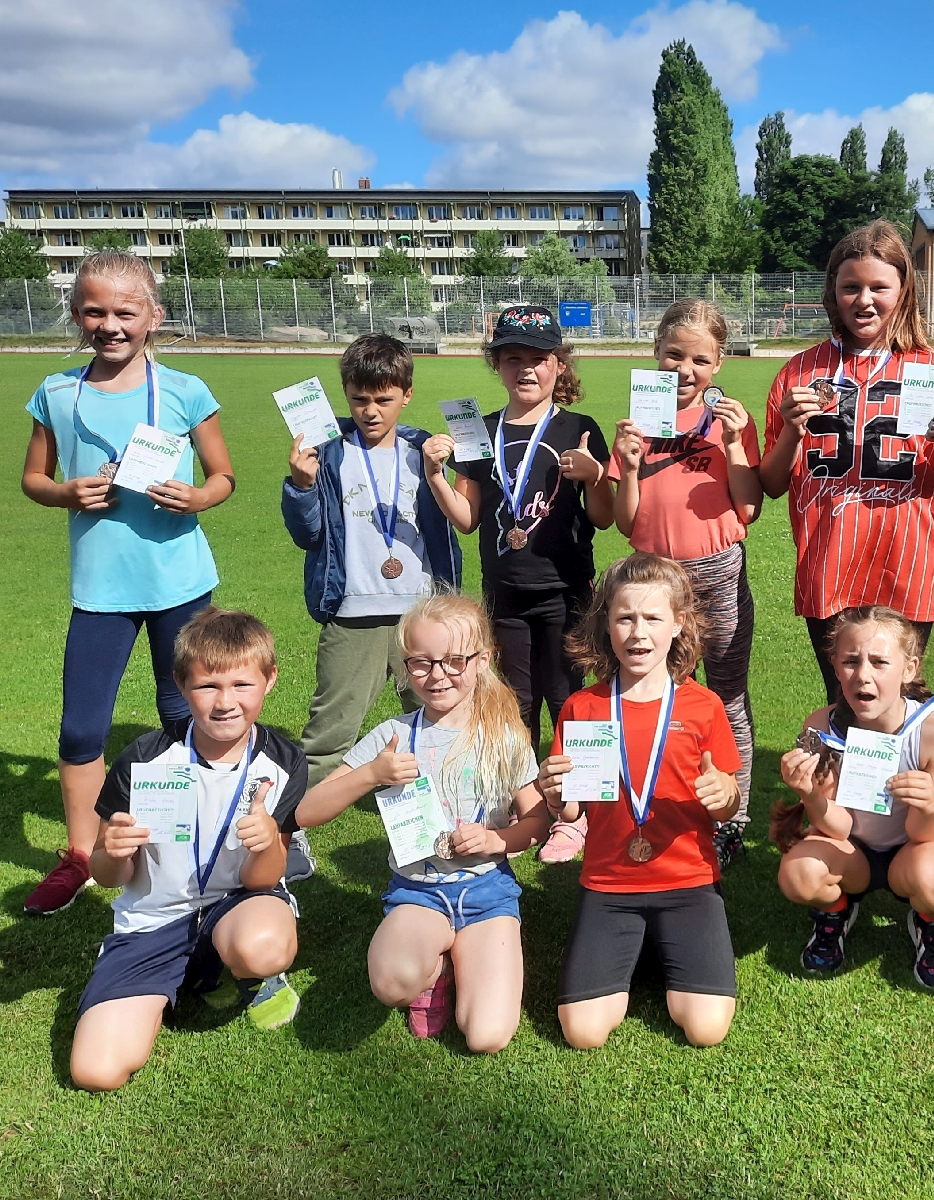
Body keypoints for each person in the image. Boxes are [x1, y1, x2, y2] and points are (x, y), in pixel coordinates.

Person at [21, 251, 237, 917]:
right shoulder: (57, 392)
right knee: (81, 729)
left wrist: (197, 498)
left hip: (179, 583)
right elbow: (33, 479)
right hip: (101, 591)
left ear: (153, 316)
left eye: (125, 311)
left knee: (185, 716)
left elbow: (223, 476)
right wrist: (66, 492)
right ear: (76, 314)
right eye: (94, 311)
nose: (110, 324)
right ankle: (80, 855)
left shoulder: (185, 390)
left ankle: (197, 837)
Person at [298, 593, 548, 1049]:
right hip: (418, 893)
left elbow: (536, 822)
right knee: (392, 982)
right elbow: (307, 811)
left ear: (482, 660)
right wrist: (371, 774)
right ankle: (433, 970)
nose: (437, 675)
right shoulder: (392, 736)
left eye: (454, 661)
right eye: (421, 662)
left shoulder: (505, 734)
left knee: (487, 1035)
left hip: (487, 893)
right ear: (405, 664)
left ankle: (462, 955)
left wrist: (496, 840)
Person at [70, 608, 304, 1091]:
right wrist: (112, 852)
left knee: (263, 947)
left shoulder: (284, 761)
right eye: (207, 686)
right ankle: (185, 976)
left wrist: (266, 843)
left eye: (242, 685)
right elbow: (108, 874)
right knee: (97, 1071)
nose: (226, 702)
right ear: (180, 684)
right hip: (153, 920)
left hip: (237, 904)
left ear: (270, 680)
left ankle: (243, 971)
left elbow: (263, 876)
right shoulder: (144, 758)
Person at [424, 304, 613, 865]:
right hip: (504, 591)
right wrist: (435, 474)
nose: (526, 369)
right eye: (513, 359)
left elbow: (603, 517)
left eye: (538, 358)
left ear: (559, 364)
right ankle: (525, 806)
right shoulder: (477, 429)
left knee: (569, 700)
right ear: (497, 365)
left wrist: (596, 476)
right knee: (513, 703)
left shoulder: (579, 428)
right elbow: (467, 518)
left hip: (565, 590)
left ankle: (577, 813)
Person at [759, 220, 934, 703]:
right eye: (850, 287)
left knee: (902, 702)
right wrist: (792, 430)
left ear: (904, 290)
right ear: (832, 291)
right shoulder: (799, 372)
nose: (864, 300)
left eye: (879, 287)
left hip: (909, 566)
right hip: (830, 564)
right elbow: (772, 483)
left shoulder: (933, 371)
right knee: (844, 702)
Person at [539, 553, 743, 1048]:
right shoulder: (583, 707)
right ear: (606, 623)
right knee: (583, 1032)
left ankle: (658, 945)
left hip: (688, 881)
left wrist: (724, 794)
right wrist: (558, 798)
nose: (638, 633)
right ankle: (647, 946)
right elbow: (573, 809)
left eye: (652, 618)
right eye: (625, 618)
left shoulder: (704, 706)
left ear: (678, 624)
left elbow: (727, 802)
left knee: (706, 1029)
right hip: (610, 883)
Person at [610, 299, 762, 866]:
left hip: (718, 573)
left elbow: (748, 510)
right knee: (660, 695)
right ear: (656, 352)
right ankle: (661, 802)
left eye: (700, 360)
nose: (685, 369)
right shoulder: (638, 423)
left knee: (727, 697)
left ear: (718, 363)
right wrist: (628, 467)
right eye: (674, 355)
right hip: (655, 581)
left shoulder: (729, 423)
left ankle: (732, 817)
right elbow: (625, 523)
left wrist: (735, 443)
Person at [282, 333, 462, 794]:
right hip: (353, 615)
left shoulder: (424, 451)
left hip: (420, 615)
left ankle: (454, 809)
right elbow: (308, 536)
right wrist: (301, 487)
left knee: (443, 723)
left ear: (407, 395)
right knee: (330, 735)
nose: (371, 412)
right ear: (345, 394)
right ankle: (291, 825)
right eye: (359, 399)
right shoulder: (327, 453)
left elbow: (457, 521)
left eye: (384, 400)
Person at [772, 606, 934, 991]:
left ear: (909, 669)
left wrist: (928, 803)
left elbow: (924, 833)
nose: (863, 675)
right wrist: (809, 794)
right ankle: (836, 911)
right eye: (851, 661)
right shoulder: (822, 726)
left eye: (879, 662)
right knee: (798, 874)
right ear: (835, 667)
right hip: (852, 851)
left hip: (913, 849)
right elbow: (839, 826)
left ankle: (930, 923)